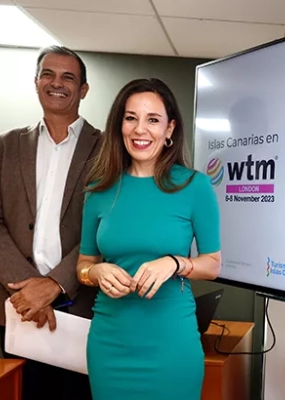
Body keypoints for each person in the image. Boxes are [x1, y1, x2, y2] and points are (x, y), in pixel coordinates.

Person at [75, 78, 222, 399]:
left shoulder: (194, 186)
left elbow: (211, 265)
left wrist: (174, 263)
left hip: (172, 342)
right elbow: (84, 264)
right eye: (131, 118)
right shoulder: (99, 190)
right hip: (110, 343)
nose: (140, 129)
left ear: (169, 129)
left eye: (152, 120)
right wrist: (96, 272)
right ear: (119, 126)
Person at [0, 45, 99, 400]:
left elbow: (107, 228)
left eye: (68, 77)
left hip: (81, 304)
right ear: (36, 82)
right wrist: (29, 289)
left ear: (83, 90)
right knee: (24, 393)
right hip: (18, 305)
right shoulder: (5, 146)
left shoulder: (108, 150)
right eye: (48, 74)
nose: (56, 83)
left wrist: (55, 284)